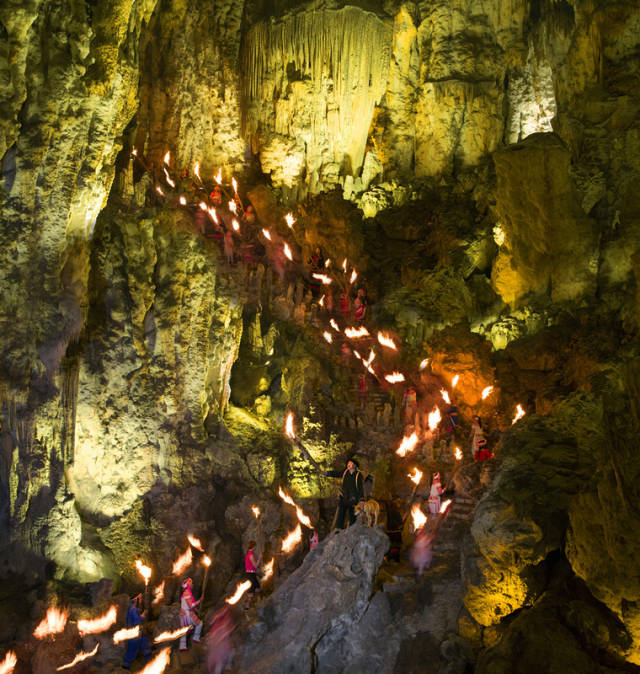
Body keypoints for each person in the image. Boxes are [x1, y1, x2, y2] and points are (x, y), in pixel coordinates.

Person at [324, 458, 364, 529]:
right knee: (341, 514)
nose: (348, 465)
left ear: (354, 465)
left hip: (353, 499)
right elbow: (336, 473)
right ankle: (339, 529)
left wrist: (361, 500)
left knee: (352, 515)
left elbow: (360, 488)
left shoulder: (358, 475)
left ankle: (352, 530)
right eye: (348, 463)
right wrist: (327, 473)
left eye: (350, 463)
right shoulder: (345, 472)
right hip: (344, 497)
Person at [123, 594, 152, 669]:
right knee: (132, 649)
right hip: (135, 634)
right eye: (136, 599)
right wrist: (144, 614)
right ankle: (126, 665)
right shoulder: (133, 610)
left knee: (145, 642)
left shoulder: (129, 608)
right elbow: (137, 620)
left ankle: (148, 659)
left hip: (133, 633)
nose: (137, 600)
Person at [206, 606, 235, 674]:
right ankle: (227, 666)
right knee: (218, 663)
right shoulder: (220, 622)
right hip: (219, 647)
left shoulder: (218, 622)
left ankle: (227, 666)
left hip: (219, 646)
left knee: (219, 662)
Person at [179, 577, 203, 651]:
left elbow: (190, 605)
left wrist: (196, 610)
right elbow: (190, 605)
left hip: (183, 615)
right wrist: (199, 601)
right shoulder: (187, 593)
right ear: (188, 585)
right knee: (200, 624)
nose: (193, 584)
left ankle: (182, 647)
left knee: (184, 631)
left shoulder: (185, 593)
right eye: (191, 583)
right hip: (187, 615)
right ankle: (196, 638)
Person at [244, 541, 261, 609]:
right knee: (251, 591)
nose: (256, 547)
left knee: (257, 588)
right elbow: (255, 565)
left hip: (252, 574)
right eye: (255, 546)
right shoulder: (250, 555)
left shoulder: (248, 553)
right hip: (250, 575)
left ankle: (257, 600)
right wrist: (259, 558)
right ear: (253, 547)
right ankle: (247, 605)